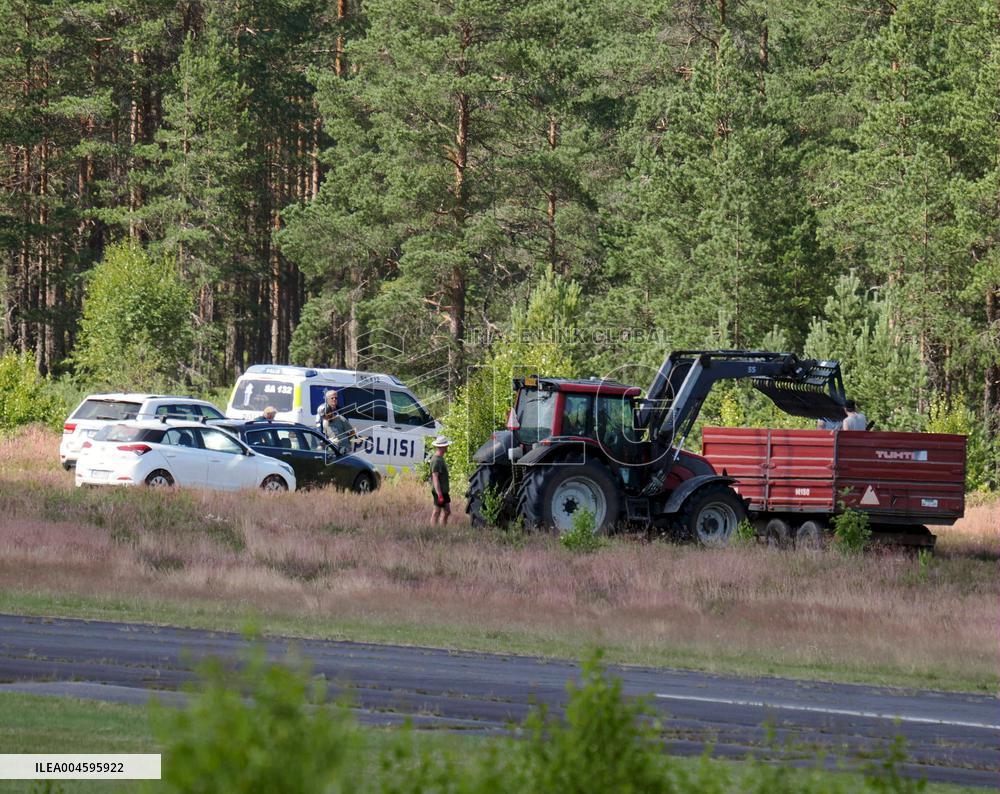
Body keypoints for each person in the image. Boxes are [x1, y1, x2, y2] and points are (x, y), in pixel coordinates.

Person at [317, 389, 355, 455]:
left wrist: (345, 440)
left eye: (336, 398)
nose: (334, 399)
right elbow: (320, 431)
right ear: (327, 399)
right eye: (332, 398)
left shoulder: (342, 412)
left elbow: (349, 430)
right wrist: (325, 443)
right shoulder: (322, 411)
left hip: (342, 447)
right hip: (330, 445)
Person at [429, 436, 451, 526]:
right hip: (439, 491)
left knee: (447, 511)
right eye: (446, 446)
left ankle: (442, 529)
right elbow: (435, 478)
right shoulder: (436, 460)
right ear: (442, 447)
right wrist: (440, 495)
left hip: (444, 490)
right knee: (437, 511)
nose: (447, 447)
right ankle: (433, 530)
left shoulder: (441, 458)